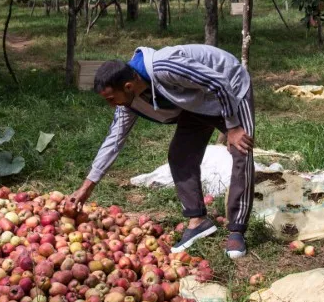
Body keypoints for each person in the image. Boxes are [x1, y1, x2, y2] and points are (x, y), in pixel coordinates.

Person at [68, 44, 255, 259]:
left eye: (111, 99)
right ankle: (198, 221)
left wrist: (232, 126)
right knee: (180, 155)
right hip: (194, 98)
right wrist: (87, 187)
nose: (112, 106)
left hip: (229, 85)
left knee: (241, 148)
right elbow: (114, 140)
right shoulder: (130, 101)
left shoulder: (166, 67)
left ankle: (237, 229)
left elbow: (217, 82)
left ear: (128, 86)